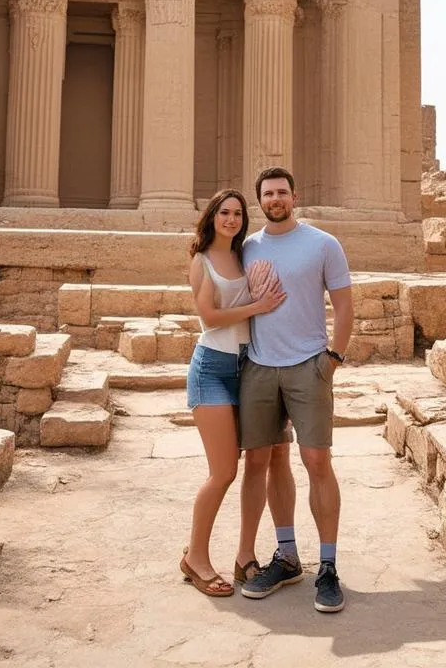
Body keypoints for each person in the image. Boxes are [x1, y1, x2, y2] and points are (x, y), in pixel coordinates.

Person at [238, 166, 354, 613]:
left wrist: (333, 359)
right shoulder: (248, 248)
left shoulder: (323, 244)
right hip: (260, 368)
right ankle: (286, 556)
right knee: (268, 460)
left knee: (317, 460)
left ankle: (327, 567)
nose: (276, 199)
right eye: (268, 194)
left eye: (282, 192)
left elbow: (344, 307)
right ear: (260, 201)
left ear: (294, 195)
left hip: (309, 365)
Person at [180, 188, 285, 597]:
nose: (231, 219)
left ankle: (245, 558)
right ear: (212, 216)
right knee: (223, 471)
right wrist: (257, 309)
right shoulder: (202, 260)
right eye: (224, 212)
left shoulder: (246, 256)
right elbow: (209, 317)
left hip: (250, 368)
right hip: (212, 369)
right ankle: (196, 560)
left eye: (238, 213)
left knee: (260, 462)